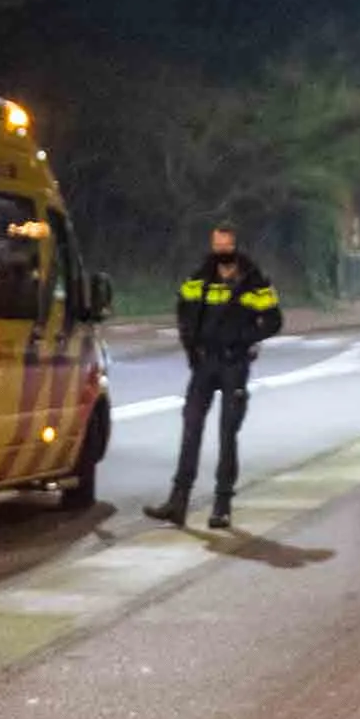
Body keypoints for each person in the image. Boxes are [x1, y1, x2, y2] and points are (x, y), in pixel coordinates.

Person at [150, 223, 282, 529]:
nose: (222, 251)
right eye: (217, 245)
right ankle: (177, 502)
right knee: (191, 429)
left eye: (227, 246)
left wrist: (245, 339)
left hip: (234, 364)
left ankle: (222, 506)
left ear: (236, 246)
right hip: (204, 364)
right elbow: (183, 311)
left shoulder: (254, 281)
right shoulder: (200, 277)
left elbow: (274, 321)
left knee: (227, 434)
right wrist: (190, 348)